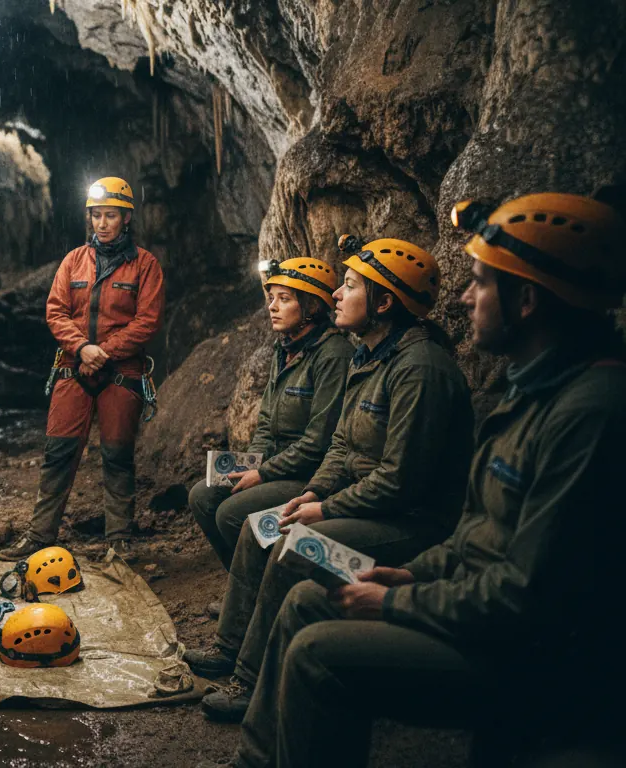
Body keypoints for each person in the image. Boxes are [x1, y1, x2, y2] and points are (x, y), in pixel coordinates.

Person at [208, 193, 626, 768]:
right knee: (305, 596)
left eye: (480, 283)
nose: (463, 297)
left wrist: (400, 600)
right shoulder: (531, 391)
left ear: (526, 300)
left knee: (315, 647)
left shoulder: (587, 413)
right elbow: (476, 535)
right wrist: (410, 573)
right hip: (452, 581)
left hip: (526, 650)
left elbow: (522, 592)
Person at [187, 234, 474, 722]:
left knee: (289, 541)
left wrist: (324, 508)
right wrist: (316, 491)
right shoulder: (371, 357)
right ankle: (234, 647)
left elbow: (401, 481)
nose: (338, 294)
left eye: (349, 285)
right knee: (265, 527)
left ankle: (252, 684)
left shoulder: (419, 370)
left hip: (411, 523)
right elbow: (340, 448)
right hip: (366, 506)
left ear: (384, 302)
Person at [0, 177, 164, 563]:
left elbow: (148, 321)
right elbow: (55, 312)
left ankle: (119, 541)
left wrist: (103, 351)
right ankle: (40, 535)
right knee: (58, 452)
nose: (102, 224)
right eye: (96, 216)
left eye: (110, 216)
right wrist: (82, 347)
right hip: (74, 369)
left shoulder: (145, 265)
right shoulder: (74, 260)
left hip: (121, 372)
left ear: (126, 218)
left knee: (117, 455)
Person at [189, 256, 353, 569]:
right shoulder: (286, 348)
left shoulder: (333, 356)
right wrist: (252, 462)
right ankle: (241, 582)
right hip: (275, 463)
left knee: (230, 513)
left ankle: (260, 589)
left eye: (284, 299)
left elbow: (318, 442)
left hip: (307, 474)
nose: (272, 307)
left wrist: (263, 474)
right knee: (203, 495)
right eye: (271, 298)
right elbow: (265, 422)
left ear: (312, 307)